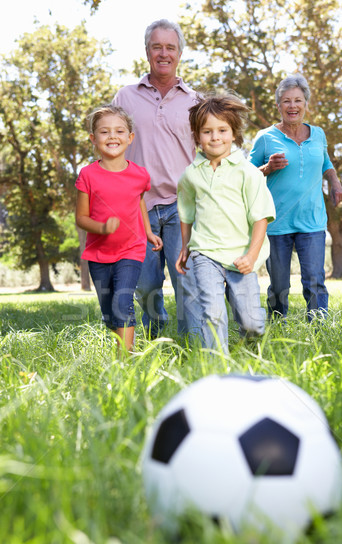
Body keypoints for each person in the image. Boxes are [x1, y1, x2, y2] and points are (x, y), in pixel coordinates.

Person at [112, 19, 201, 338]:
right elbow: (111, 147)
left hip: (183, 206)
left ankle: (193, 346)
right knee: (147, 285)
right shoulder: (124, 97)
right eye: (157, 46)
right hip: (138, 209)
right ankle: (157, 338)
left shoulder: (195, 101)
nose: (164, 53)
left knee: (186, 281)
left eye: (170, 47)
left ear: (180, 53)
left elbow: (207, 153)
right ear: (147, 51)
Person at [176, 93, 276, 353]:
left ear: (234, 134)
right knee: (213, 312)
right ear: (197, 136)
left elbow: (260, 217)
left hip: (240, 256)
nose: (215, 137)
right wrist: (186, 248)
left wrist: (252, 255)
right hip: (205, 253)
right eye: (207, 131)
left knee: (253, 322)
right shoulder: (190, 174)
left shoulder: (249, 172)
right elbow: (186, 213)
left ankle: (249, 349)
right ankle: (216, 366)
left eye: (222, 130)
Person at [249, 74, 342, 321]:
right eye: (286, 101)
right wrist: (267, 168)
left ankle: (319, 327)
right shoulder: (264, 137)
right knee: (279, 286)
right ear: (279, 105)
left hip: (312, 220)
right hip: (276, 221)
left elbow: (325, 161)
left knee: (315, 280)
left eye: (298, 100)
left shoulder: (318, 134)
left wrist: (334, 181)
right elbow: (246, 176)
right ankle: (277, 325)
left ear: (306, 103)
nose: (293, 106)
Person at [75, 105, 162, 353]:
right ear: (93, 139)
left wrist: (148, 232)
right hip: (98, 255)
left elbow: (140, 203)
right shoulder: (88, 175)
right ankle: (121, 342)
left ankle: (126, 357)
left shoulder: (140, 175)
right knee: (109, 312)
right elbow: (81, 218)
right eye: (104, 132)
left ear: (130, 138)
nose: (112, 136)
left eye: (119, 131)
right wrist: (101, 227)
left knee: (122, 303)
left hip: (131, 250)